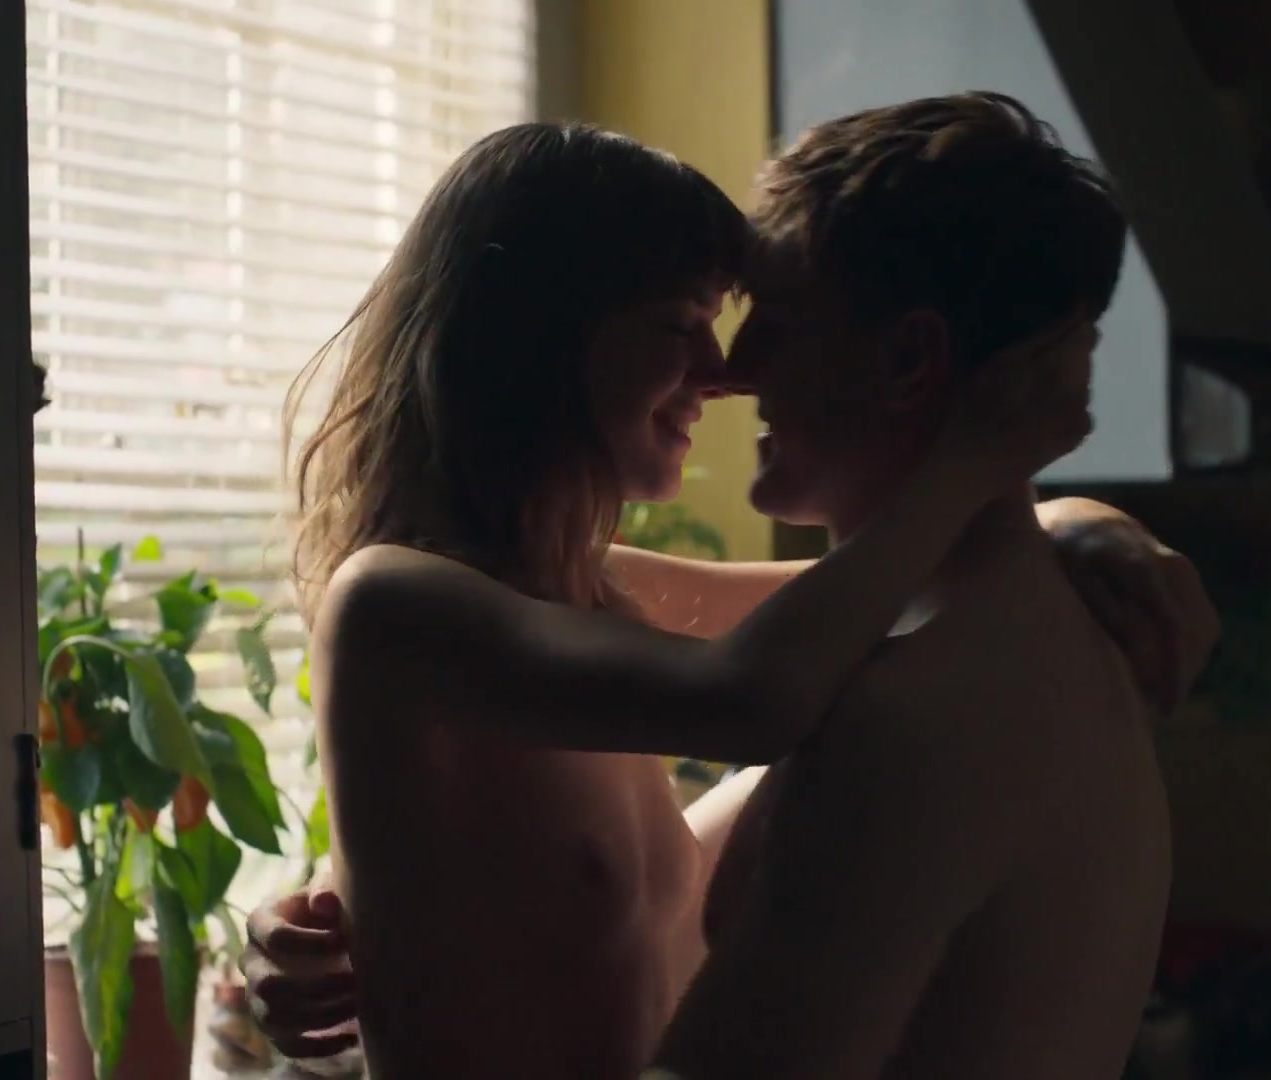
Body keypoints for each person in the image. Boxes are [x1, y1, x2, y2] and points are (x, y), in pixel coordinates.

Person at [259, 116, 1214, 1078]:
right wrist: (973, 463)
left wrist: (1074, 523)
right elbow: (753, 695)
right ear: (541, 334)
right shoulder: (390, 601)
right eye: (683, 326)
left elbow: (868, 603)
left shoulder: (597, 590)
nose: (725, 373)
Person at [645, 92, 1174, 1079]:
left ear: (905, 361)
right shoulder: (1009, 634)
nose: (734, 368)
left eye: (777, 319)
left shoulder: (915, 715)